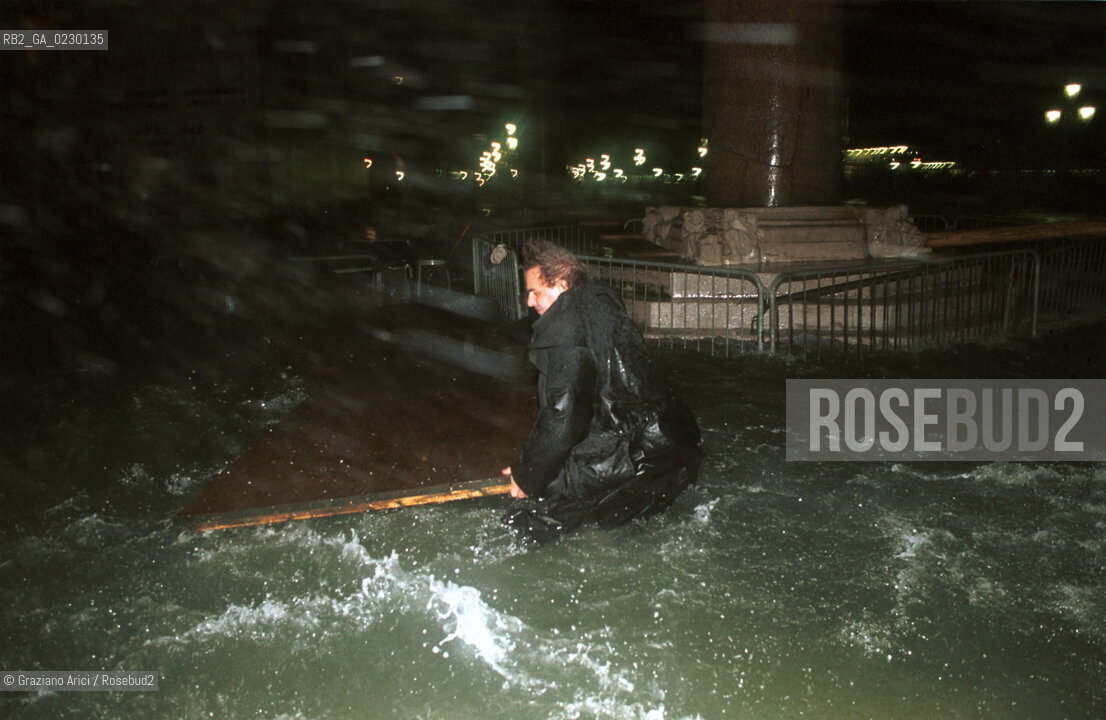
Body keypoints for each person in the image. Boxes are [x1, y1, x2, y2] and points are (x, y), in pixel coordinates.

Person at [502, 240, 703, 542]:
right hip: (675, 442)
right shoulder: (598, 305)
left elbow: (563, 412)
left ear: (562, 284)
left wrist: (528, 474)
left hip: (642, 456)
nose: (529, 302)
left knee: (536, 528)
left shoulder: (567, 326)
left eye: (535, 292)